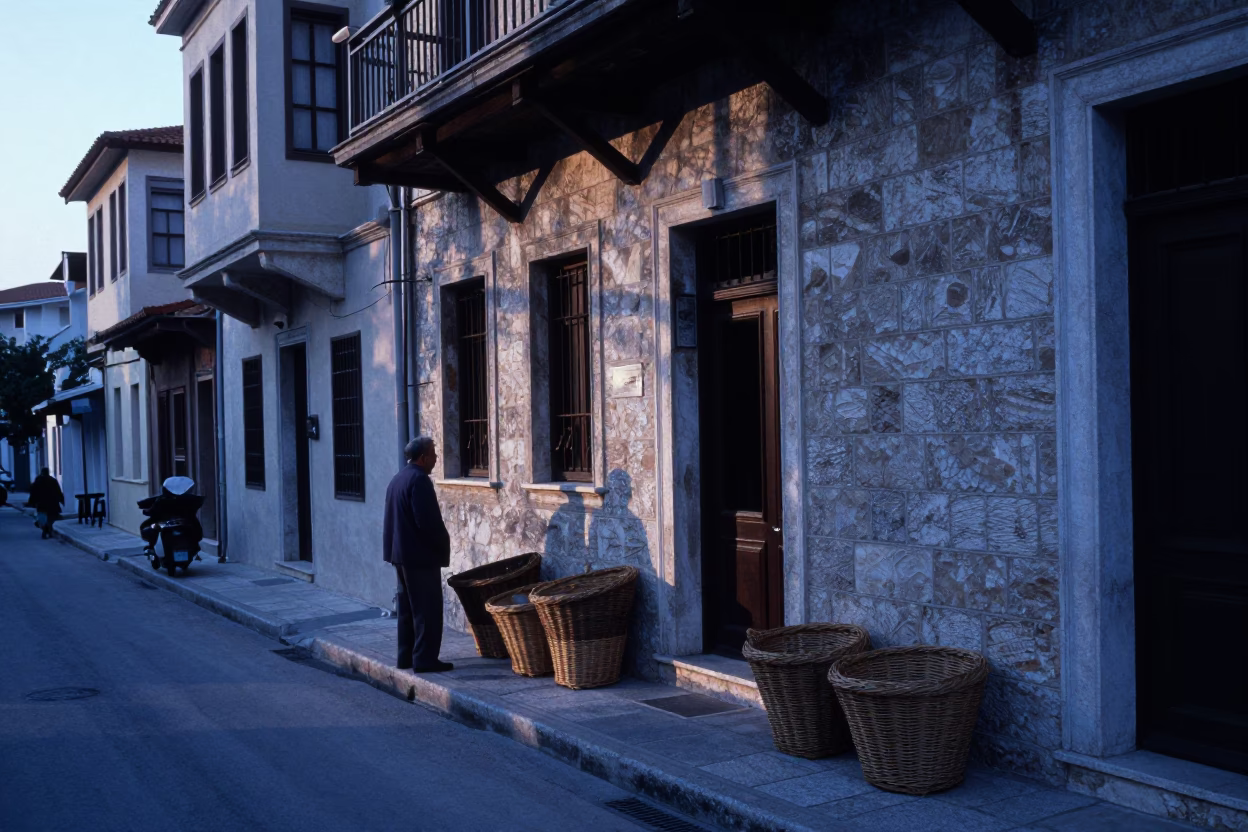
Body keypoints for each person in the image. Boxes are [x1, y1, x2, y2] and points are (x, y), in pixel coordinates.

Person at [383, 437, 453, 672]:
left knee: (407, 608)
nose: (436, 458)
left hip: (401, 555)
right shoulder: (420, 480)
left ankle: (406, 657)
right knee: (427, 610)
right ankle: (424, 659)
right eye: (433, 454)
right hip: (419, 556)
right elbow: (427, 522)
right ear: (423, 458)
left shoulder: (398, 478)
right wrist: (442, 544)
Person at [28, 467, 64, 540]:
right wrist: (61, 500)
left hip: (41, 503)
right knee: (51, 517)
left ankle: (45, 529)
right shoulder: (53, 480)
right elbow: (58, 491)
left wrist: (31, 502)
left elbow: (33, 491)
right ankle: (48, 529)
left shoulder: (38, 480)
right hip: (52, 503)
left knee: (42, 517)